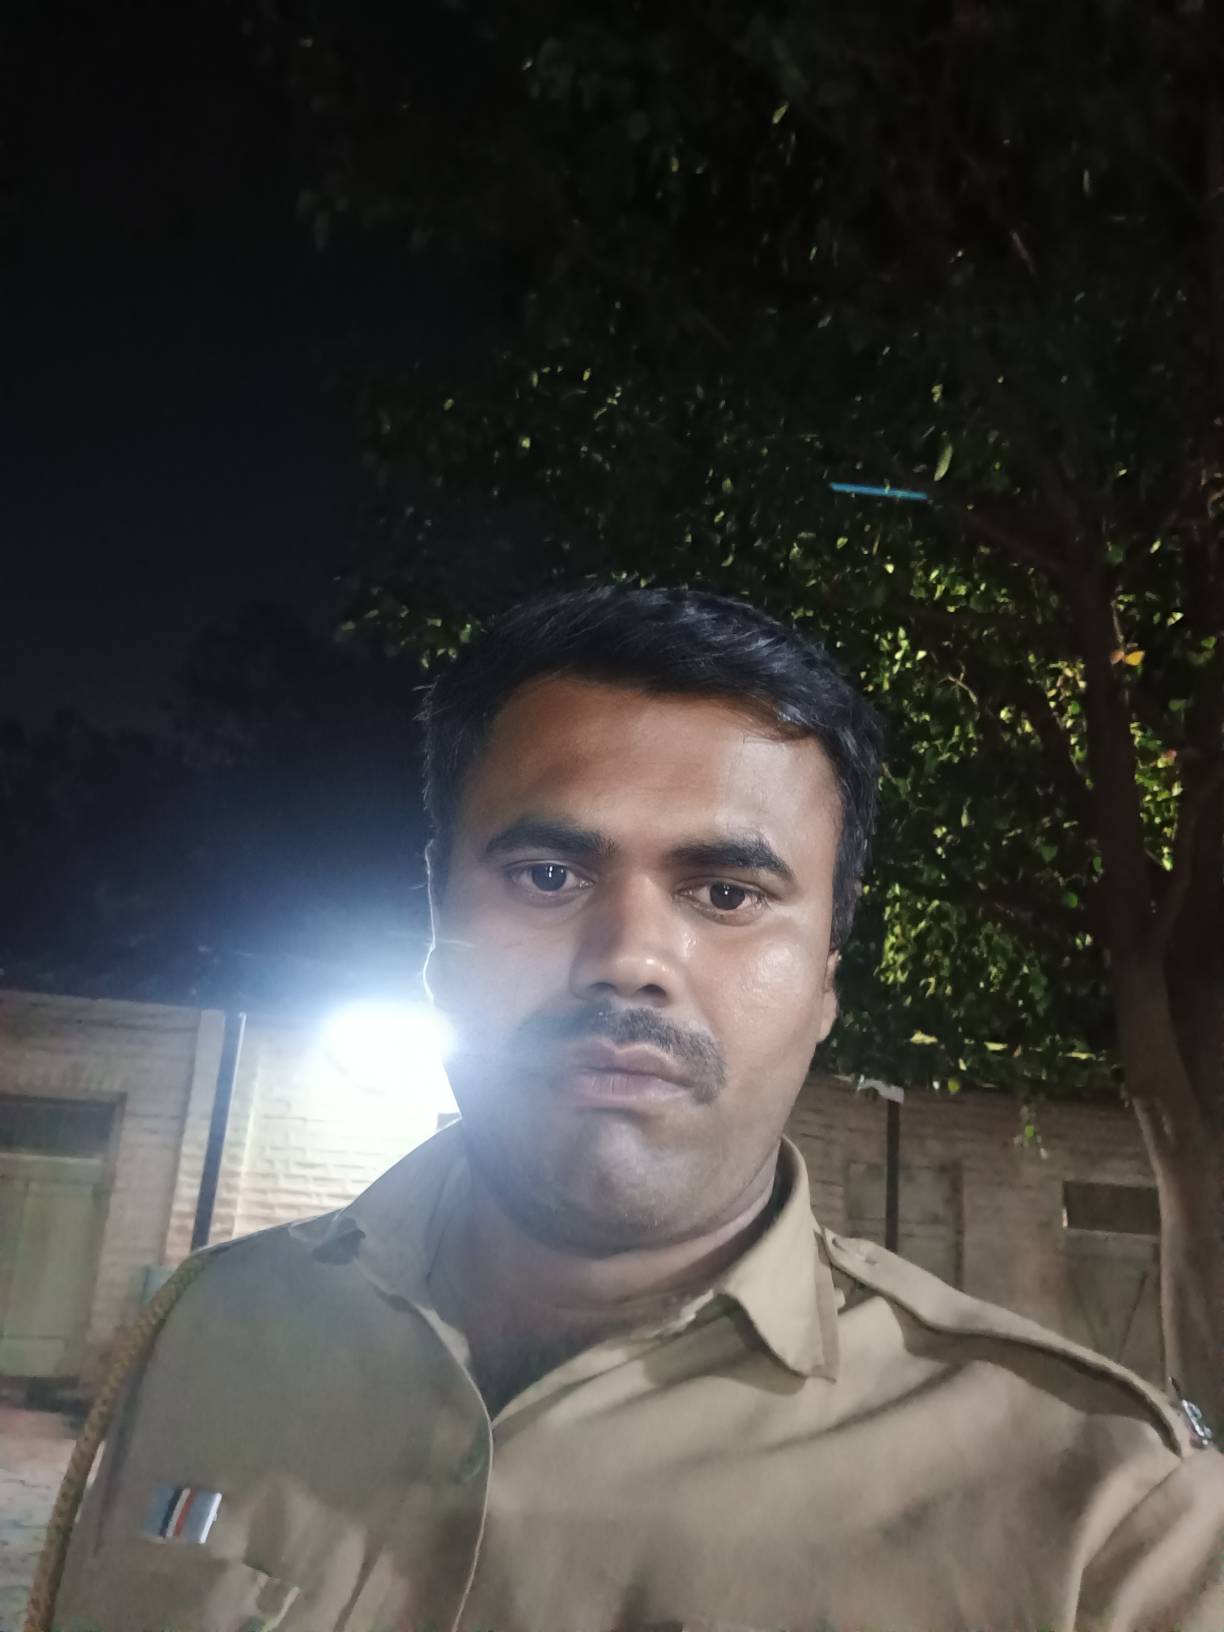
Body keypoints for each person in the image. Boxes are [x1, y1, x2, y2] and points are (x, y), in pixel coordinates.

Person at [49, 586, 1224, 1632]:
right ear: (438, 929)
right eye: (548, 876)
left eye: (728, 893)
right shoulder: (206, 1332)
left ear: (825, 983)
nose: (630, 959)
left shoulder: (1109, 1522)